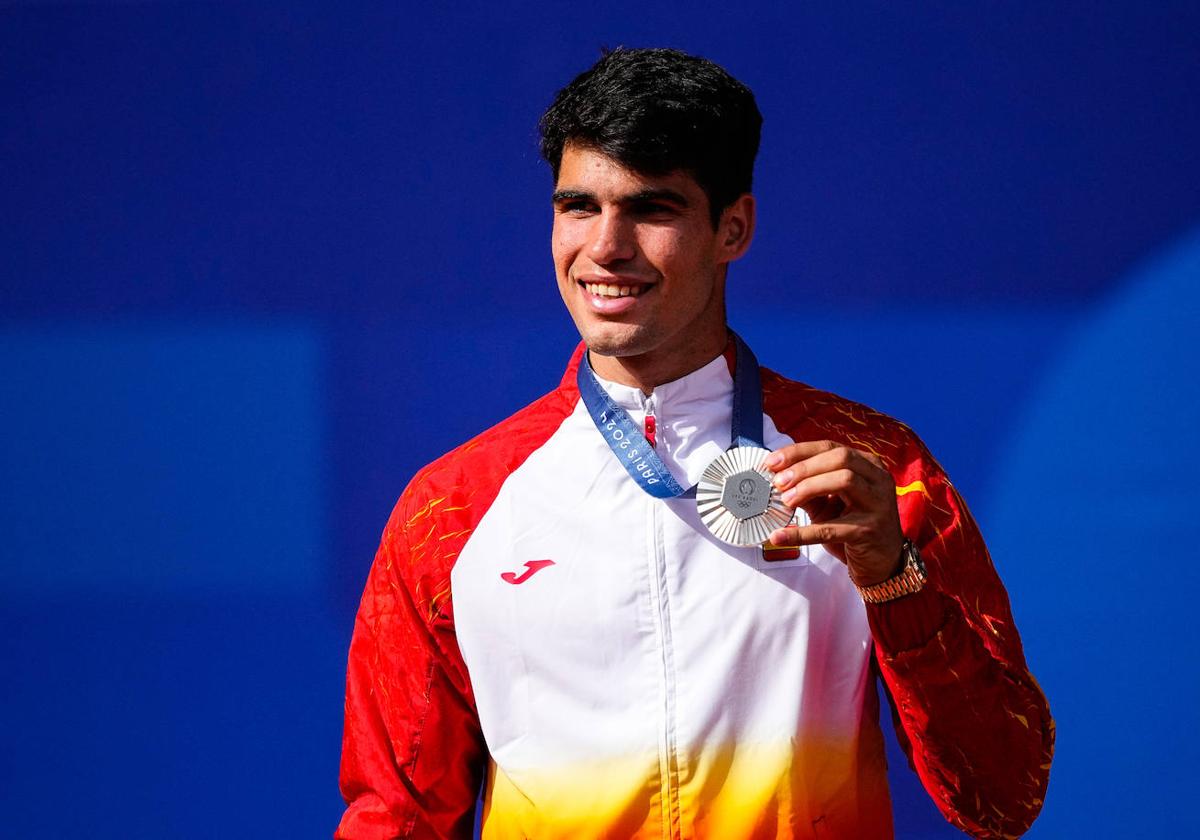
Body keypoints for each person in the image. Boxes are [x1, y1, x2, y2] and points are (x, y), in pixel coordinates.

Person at [336, 48, 1053, 840]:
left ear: (733, 228)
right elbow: (394, 817)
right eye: (578, 206)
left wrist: (894, 581)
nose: (606, 247)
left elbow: (1003, 794)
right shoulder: (451, 509)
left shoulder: (876, 472)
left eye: (652, 209)